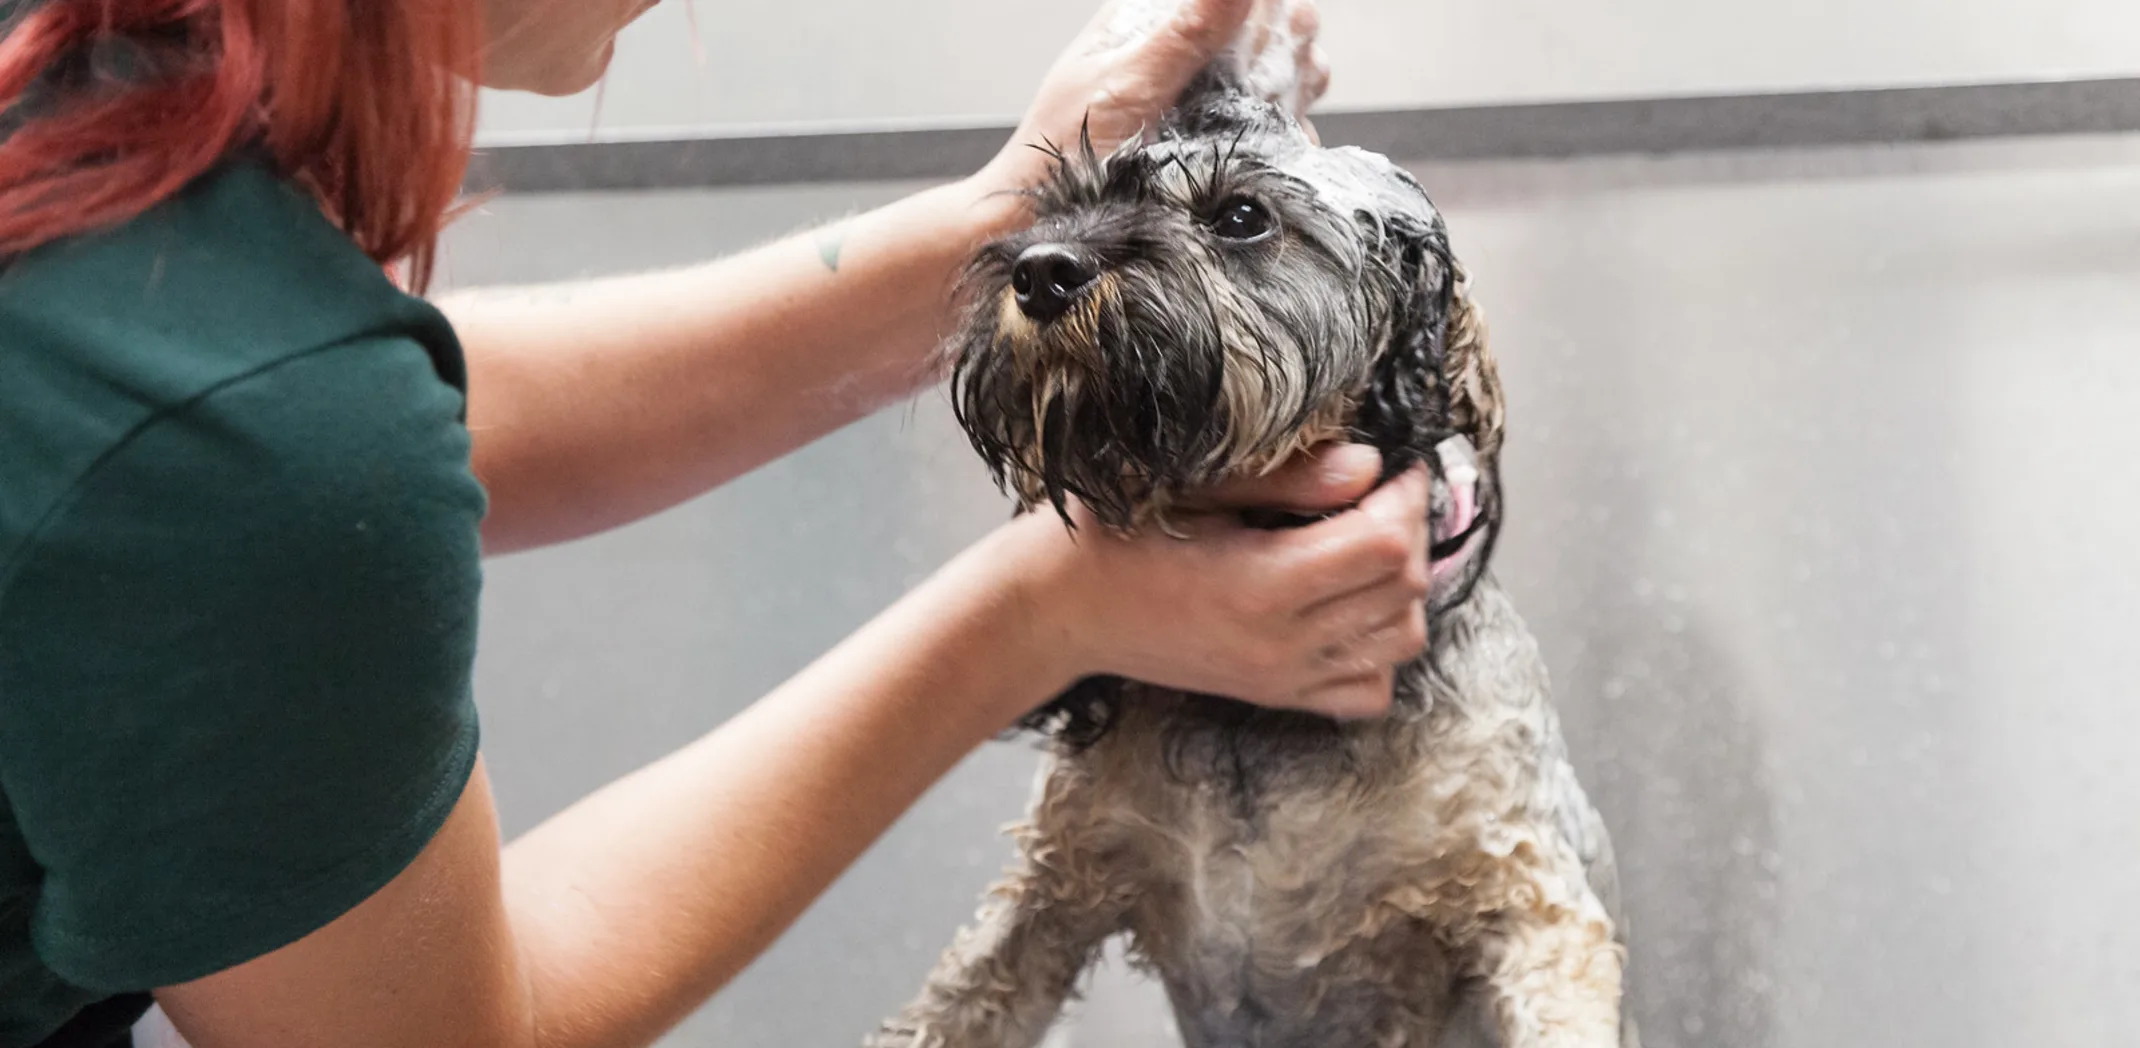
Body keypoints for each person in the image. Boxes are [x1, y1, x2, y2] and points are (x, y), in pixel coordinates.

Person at [0, 0, 1434, 1044]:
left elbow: (311, 413)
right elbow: (451, 1031)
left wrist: (1005, 220)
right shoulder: (228, 424)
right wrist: (1050, 611)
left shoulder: (79, 113)